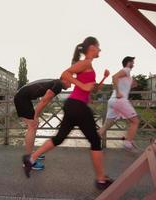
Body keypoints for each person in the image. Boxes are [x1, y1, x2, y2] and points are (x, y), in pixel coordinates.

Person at [22, 36, 114, 190]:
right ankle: (101, 180)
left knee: (58, 138)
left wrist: (104, 78)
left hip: (73, 105)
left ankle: (31, 159)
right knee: (95, 142)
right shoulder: (85, 63)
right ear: (91, 47)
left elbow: (92, 88)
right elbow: (65, 74)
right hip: (77, 106)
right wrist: (81, 85)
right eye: (98, 47)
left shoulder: (89, 65)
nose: (100, 50)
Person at [14, 78, 71, 170]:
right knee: (32, 126)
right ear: (64, 80)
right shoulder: (58, 85)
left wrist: (36, 115)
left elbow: (43, 100)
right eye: (70, 82)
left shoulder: (55, 82)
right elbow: (44, 100)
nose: (70, 86)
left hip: (23, 97)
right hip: (22, 98)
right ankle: (29, 161)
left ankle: (32, 155)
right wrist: (35, 116)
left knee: (33, 126)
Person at [98, 56, 140, 153]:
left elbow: (123, 82)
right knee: (135, 121)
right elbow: (114, 77)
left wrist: (132, 83)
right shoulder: (126, 70)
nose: (134, 64)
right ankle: (128, 143)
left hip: (113, 101)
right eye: (132, 62)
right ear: (128, 63)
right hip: (119, 100)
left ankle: (94, 141)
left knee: (106, 126)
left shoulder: (127, 75)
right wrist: (118, 92)